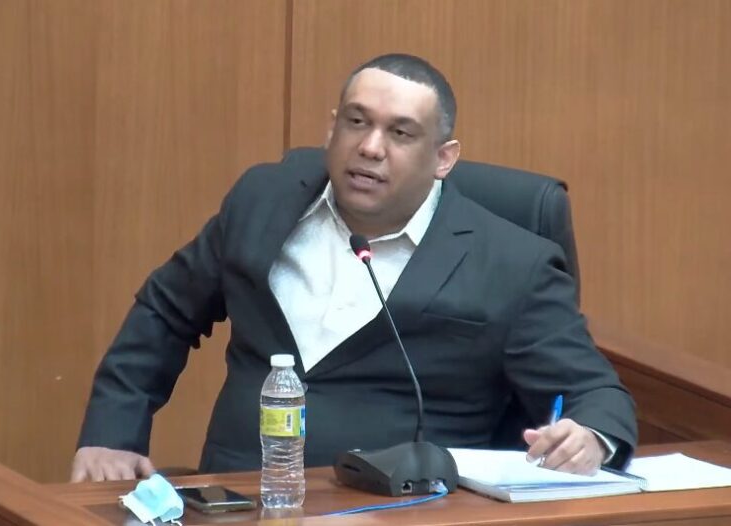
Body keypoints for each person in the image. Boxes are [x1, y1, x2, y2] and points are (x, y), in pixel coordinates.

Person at [71, 53, 637, 483]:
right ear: (331, 128)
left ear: (443, 158)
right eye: (356, 122)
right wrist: (112, 435)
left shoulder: (511, 262)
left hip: (405, 510)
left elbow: (595, 394)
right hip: (238, 498)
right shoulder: (263, 200)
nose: (370, 147)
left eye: (400, 133)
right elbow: (165, 311)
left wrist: (590, 436)